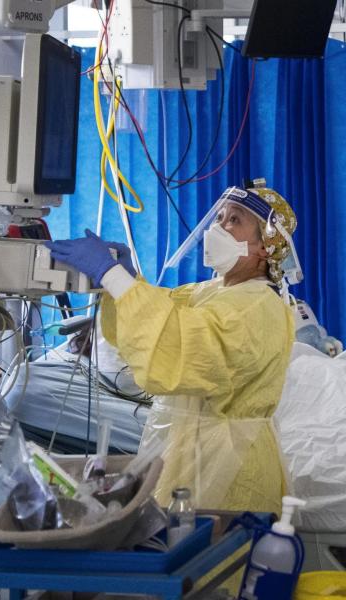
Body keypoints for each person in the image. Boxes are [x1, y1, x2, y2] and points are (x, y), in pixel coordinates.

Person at [45, 183, 298, 515]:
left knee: (218, 560)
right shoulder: (217, 290)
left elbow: (184, 345)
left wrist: (113, 276)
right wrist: (130, 281)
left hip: (230, 464)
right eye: (219, 217)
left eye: (234, 220)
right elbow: (165, 313)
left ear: (266, 247)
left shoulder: (258, 306)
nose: (218, 227)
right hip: (190, 451)